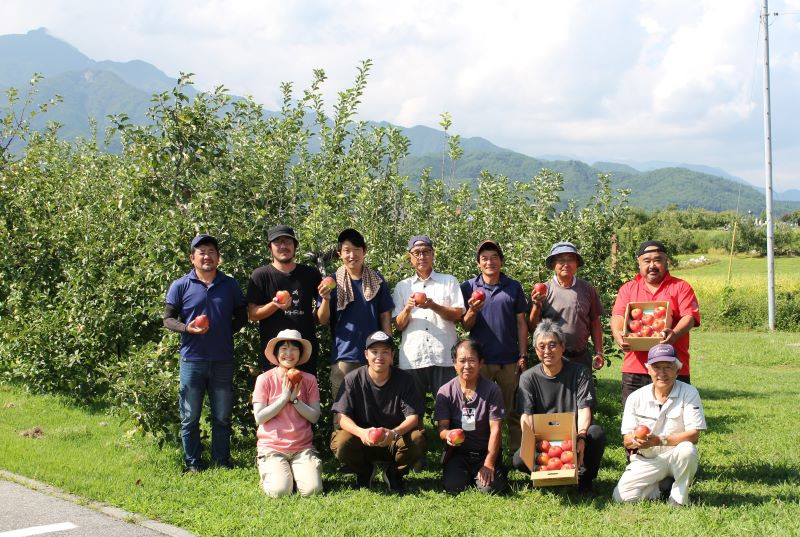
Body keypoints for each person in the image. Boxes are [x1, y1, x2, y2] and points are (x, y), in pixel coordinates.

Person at [163, 234, 247, 472]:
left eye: (211, 252)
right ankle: (193, 463)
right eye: (201, 252)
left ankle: (221, 461)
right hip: (192, 360)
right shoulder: (181, 285)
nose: (207, 256)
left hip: (222, 360)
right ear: (192, 258)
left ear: (218, 258)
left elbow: (242, 316)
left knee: (222, 416)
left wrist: (225, 332)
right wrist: (187, 328)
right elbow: (168, 319)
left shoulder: (230, 285)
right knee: (190, 416)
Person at [513, 320, 606, 494]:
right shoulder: (528, 378)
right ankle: (547, 476)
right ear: (536, 350)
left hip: (573, 436)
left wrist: (581, 436)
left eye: (552, 345)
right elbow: (526, 415)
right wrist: (529, 441)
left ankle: (584, 479)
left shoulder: (580, 373)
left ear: (562, 347)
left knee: (596, 434)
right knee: (519, 459)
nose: (547, 351)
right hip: (545, 442)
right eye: (541, 346)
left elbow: (584, 409)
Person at [330, 331, 426, 492]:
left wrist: (394, 433)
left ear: (392, 355)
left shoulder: (405, 380)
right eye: (374, 352)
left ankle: (394, 473)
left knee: (417, 439)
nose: (379, 357)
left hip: (394, 440)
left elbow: (413, 417)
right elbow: (341, 416)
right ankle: (364, 471)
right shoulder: (352, 379)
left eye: (385, 352)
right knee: (341, 442)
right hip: (362, 440)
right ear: (366, 355)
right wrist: (361, 432)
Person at [613, 344, 707, 507]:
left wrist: (659, 440)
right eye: (656, 367)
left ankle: (678, 498)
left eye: (668, 367)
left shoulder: (689, 392)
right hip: (647, 459)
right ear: (648, 370)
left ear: (677, 370)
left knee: (687, 449)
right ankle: (663, 487)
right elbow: (626, 439)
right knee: (622, 497)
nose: (662, 373)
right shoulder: (635, 397)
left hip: (676, 455)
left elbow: (694, 435)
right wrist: (636, 440)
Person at [611, 240, 701, 407]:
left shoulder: (681, 287)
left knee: (675, 417)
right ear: (639, 263)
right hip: (636, 368)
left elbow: (689, 317)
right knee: (636, 418)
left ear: (666, 261)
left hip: (672, 367)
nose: (652, 265)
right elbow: (618, 316)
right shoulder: (628, 289)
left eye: (657, 260)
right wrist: (618, 335)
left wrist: (674, 334)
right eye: (647, 261)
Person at [460, 239, 529, 454]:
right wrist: (473, 310)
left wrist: (523, 354)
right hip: (480, 362)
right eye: (484, 258)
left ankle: (517, 453)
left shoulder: (513, 287)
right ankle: (477, 451)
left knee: (512, 409)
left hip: (508, 359)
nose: (489, 262)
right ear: (478, 263)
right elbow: (465, 325)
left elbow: (521, 323)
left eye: (494, 257)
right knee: (476, 408)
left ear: (501, 261)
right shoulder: (468, 287)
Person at [317, 228, 394, 400]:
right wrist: (326, 300)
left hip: (375, 355)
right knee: (343, 407)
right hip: (344, 356)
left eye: (356, 250)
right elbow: (322, 320)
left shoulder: (377, 280)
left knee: (375, 405)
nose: (352, 255)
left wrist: (389, 349)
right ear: (340, 254)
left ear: (364, 251)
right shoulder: (331, 282)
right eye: (347, 250)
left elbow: (385, 316)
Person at [393, 234, 465, 408]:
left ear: (433, 254)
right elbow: (399, 325)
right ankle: (417, 428)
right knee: (411, 409)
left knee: (449, 406)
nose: (421, 256)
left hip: (443, 355)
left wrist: (433, 306)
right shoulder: (402, 286)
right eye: (416, 252)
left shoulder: (449, 281)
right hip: (413, 357)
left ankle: (447, 427)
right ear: (410, 257)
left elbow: (457, 314)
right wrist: (408, 308)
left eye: (426, 251)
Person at [252, 329, 323, 497]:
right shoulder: (264, 379)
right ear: (277, 353)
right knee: (280, 491)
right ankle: (269, 469)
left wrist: (295, 401)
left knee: (312, 491)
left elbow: (314, 416)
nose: (289, 354)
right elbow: (259, 417)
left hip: (302, 447)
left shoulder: (309, 380)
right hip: (272, 447)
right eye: (284, 348)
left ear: (300, 353)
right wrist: (284, 398)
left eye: (294, 349)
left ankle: (293, 473)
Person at [435, 339, 508, 494]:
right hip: (458, 453)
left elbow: (496, 429)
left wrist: (489, 463)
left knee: (490, 489)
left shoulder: (492, 390)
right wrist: (448, 435)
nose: (467, 366)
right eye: (462, 361)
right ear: (454, 363)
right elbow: (442, 428)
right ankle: (464, 474)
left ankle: (494, 469)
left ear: (481, 363)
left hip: (485, 452)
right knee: (453, 487)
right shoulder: (445, 391)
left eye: (472, 360)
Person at [247, 225, 322, 374]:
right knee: (277, 390)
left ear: (295, 246)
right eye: (278, 242)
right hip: (275, 354)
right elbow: (252, 314)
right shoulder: (260, 276)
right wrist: (275, 305)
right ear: (270, 247)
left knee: (306, 388)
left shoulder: (310, 274)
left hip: (304, 352)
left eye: (288, 242)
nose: (283, 246)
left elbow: (322, 313)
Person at [528, 241, 604, 370]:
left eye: (570, 260)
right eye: (561, 260)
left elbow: (595, 322)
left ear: (577, 264)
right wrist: (536, 306)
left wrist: (599, 352)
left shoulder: (587, 289)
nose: (566, 264)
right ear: (553, 264)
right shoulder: (544, 290)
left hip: (581, 356)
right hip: (553, 358)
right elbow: (532, 328)